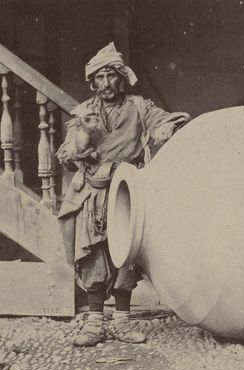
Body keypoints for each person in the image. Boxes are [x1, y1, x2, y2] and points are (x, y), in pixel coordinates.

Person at [56, 42, 190, 347]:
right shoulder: (83, 112)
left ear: (122, 77)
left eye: (112, 76)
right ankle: (94, 323)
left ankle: (122, 322)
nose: (106, 84)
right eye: (100, 78)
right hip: (91, 193)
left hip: (125, 193)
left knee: (123, 256)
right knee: (92, 256)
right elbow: (64, 154)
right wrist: (80, 146)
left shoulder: (139, 107)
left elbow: (164, 121)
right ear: (92, 83)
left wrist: (162, 130)